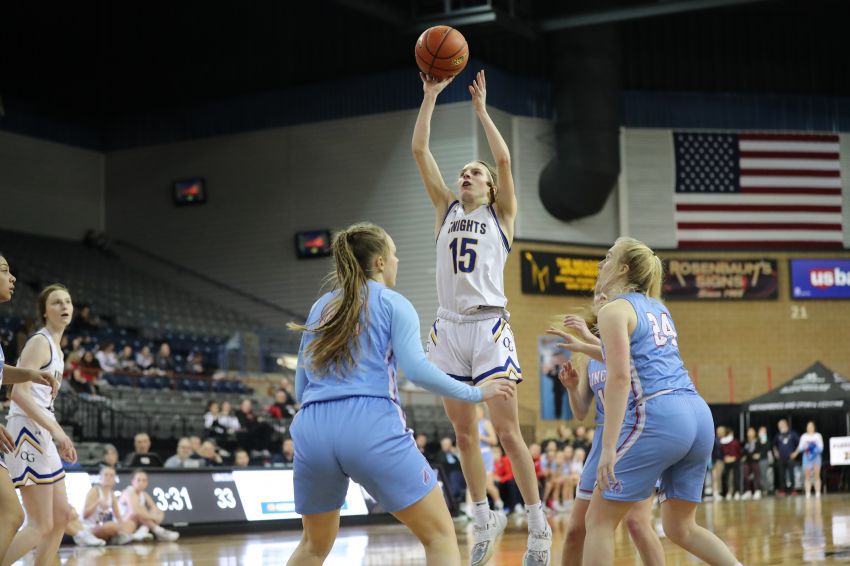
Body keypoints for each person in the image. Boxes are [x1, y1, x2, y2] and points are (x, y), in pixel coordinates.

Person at [285, 222, 515, 566]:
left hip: (312, 425)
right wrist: (474, 393)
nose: (397, 260)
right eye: (393, 254)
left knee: (313, 546)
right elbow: (418, 371)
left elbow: (301, 387)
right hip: (368, 421)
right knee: (439, 534)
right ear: (379, 262)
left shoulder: (321, 307)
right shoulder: (394, 303)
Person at [413, 69, 549, 566]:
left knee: (509, 432)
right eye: (463, 172)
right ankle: (482, 514)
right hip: (448, 329)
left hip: (489, 329)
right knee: (464, 434)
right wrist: (429, 96)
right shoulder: (445, 209)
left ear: (490, 188)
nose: (466, 175)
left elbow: (506, 158)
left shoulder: (502, 216)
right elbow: (420, 152)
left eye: (475, 172)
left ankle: (536, 521)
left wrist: (482, 113)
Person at [580, 238, 741, 566]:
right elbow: (637, 359)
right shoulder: (658, 307)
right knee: (681, 527)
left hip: (660, 413)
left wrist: (608, 447)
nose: (601, 264)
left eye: (607, 257)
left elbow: (620, 377)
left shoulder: (613, 309)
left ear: (623, 268)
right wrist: (586, 346)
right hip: (697, 413)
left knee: (597, 522)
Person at [547, 293, 664, 566]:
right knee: (576, 529)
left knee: (637, 523)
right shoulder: (590, 361)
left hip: (634, 434)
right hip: (602, 440)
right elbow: (580, 413)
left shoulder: (628, 346)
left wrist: (585, 336)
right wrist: (572, 389)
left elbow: (617, 356)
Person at [2, 284, 78, 566]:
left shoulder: (57, 348)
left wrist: (58, 434)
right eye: (56, 302)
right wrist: (57, 432)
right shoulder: (40, 341)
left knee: (61, 518)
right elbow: (18, 394)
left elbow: (41, 400)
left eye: (67, 301)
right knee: (40, 523)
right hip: (25, 433)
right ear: (44, 311)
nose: (64, 306)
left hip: (42, 431)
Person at [119, 469, 180, 542]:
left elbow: (156, 509)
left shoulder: (144, 494)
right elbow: (136, 511)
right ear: (132, 481)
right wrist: (154, 517)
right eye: (138, 480)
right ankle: (159, 531)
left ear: (147, 483)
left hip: (137, 522)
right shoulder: (129, 492)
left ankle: (142, 532)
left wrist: (158, 515)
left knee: (156, 511)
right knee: (140, 510)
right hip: (125, 523)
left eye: (144, 480)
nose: (141, 483)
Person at [81, 466, 132, 544]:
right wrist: (97, 502)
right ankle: (123, 537)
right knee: (111, 526)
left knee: (129, 523)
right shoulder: (94, 491)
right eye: (106, 475)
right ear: (100, 478)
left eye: (111, 475)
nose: (108, 477)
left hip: (100, 526)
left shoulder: (112, 494)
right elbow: (85, 515)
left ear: (114, 479)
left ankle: (119, 537)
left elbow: (118, 517)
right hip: (87, 528)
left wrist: (124, 526)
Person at [476, 405, 504, 512]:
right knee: (472, 485)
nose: (476, 413)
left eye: (478, 410)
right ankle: (471, 509)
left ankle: (499, 503)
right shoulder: (472, 424)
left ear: (482, 412)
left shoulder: (486, 423)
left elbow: (494, 441)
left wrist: (481, 437)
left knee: (488, 485)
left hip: (486, 456)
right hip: (475, 456)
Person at [793, 421, 824, 498]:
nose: (809, 427)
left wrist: (814, 450)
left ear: (814, 427)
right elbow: (800, 447)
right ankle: (808, 493)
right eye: (808, 426)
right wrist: (797, 452)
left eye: (811, 426)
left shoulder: (818, 436)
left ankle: (817, 492)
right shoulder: (804, 436)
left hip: (816, 457)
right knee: (807, 476)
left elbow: (821, 447)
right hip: (806, 457)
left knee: (817, 475)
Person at [773, 419, 800, 496]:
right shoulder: (778, 435)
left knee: (791, 473)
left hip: (790, 457)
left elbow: (800, 443)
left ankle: (793, 489)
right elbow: (774, 445)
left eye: (781, 425)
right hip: (781, 458)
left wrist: (795, 453)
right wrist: (776, 452)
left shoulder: (792, 434)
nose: (780, 427)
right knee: (781, 474)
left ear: (785, 424)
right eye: (779, 426)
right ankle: (782, 490)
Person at [718, 428, 742, 501]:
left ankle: (736, 492)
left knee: (736, 477)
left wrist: (734, 457)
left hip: (735, 461)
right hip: (727, 462)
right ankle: (728, 492)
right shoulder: (722, 443)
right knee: (727, 478)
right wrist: (725, 458)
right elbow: (721, 453)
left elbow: (739, 452)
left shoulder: (735, 442)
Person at [741, 427, 763, 500]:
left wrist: (759, 455)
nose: (750, 433)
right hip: (747, 460)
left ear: (754, 433)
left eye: (751, 431)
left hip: (755, 461)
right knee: (745, 475)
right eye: (748, 431)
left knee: (757, 475)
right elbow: (744, 451)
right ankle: (748, 491)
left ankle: (757, 491)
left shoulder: (758, 441)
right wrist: (744, 456)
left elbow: (761, 450)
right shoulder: (746, 442)